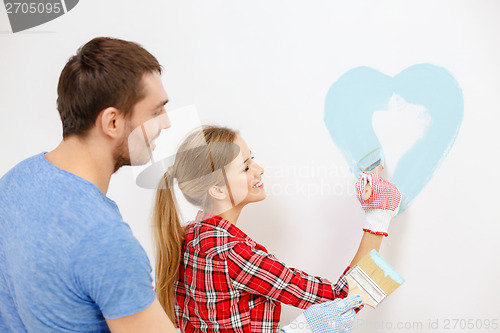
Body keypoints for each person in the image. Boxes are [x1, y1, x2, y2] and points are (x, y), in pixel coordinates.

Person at [0, 37, 176, 332]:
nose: (167, 122)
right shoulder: (106, 240)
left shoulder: (13, 183)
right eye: (156, 111)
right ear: (112, 123)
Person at [153, 125, 401, 332]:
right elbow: (344, 300)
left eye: (252, 159)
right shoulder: (233, 252)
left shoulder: (188, 236)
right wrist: (378, 216)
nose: (259, 170)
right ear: (217, 189)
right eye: (246, 167)